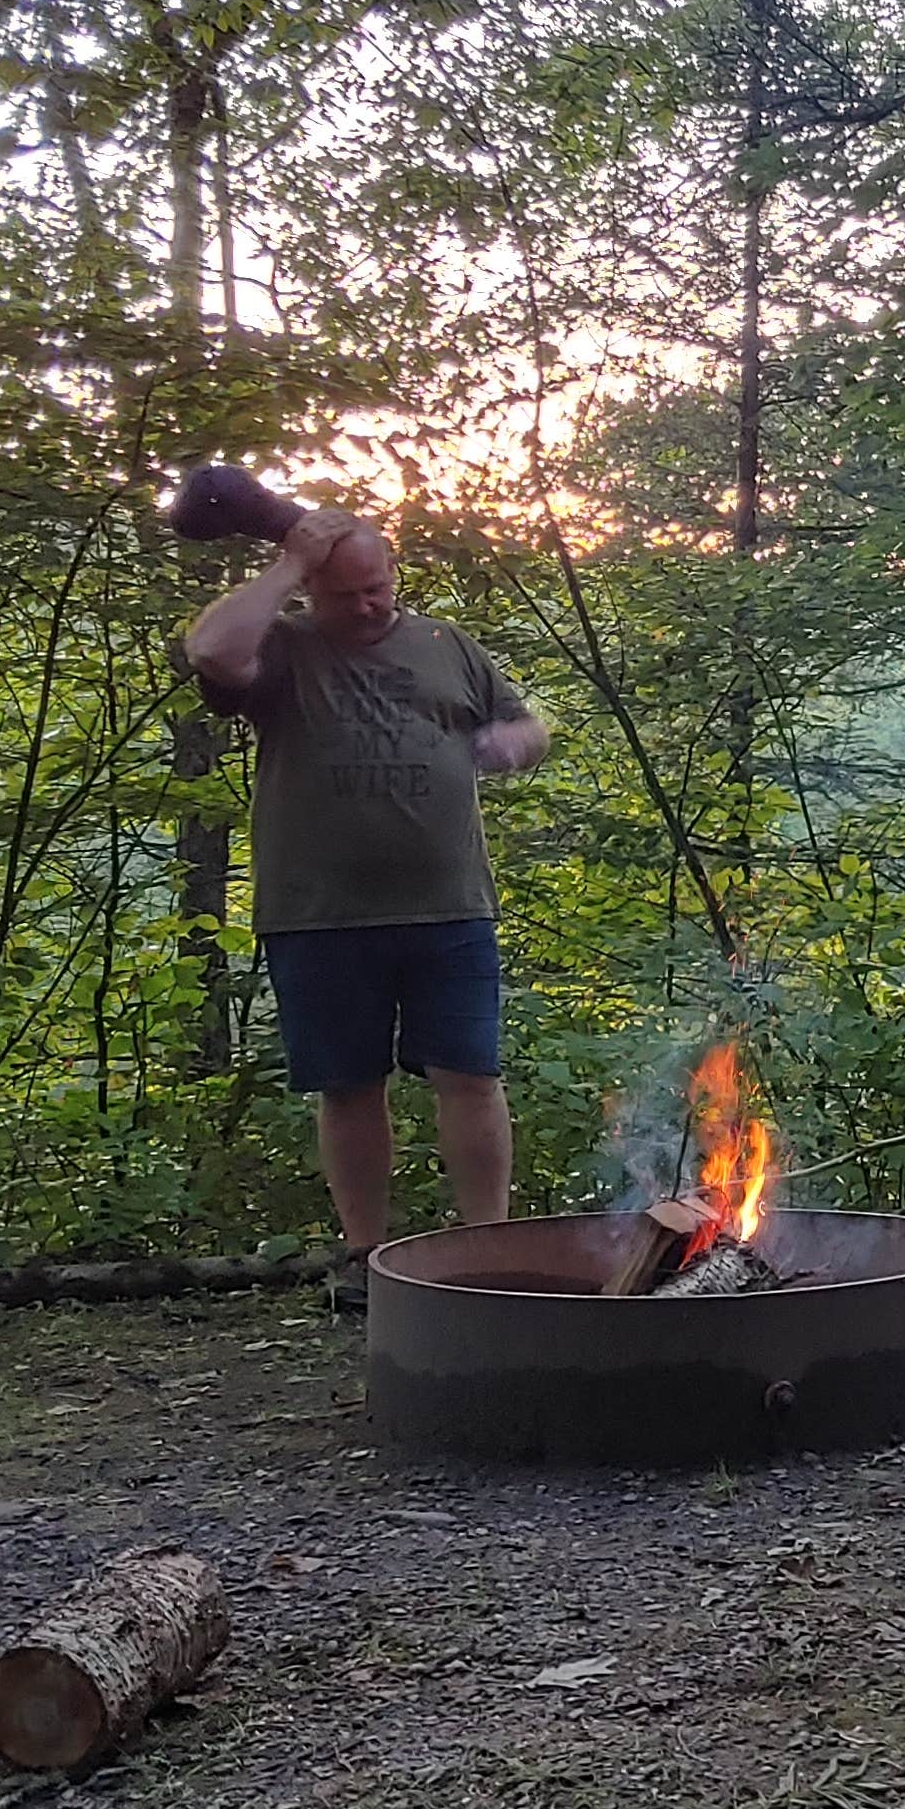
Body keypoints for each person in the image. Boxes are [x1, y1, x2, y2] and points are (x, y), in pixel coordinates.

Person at [183, 506, 550, 1304]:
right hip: (319, 912)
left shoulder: (446, 645)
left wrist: (514, 745)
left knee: (471, 1075)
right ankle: (364, 1257)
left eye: (378, 587)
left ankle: (489, 1246)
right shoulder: (283, 649)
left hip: (449, 907)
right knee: (348, 1085)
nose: (368, 606)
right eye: (344, 593)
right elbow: (210, 650)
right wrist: (286, 564)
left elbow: (526, 724)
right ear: (310, 588)